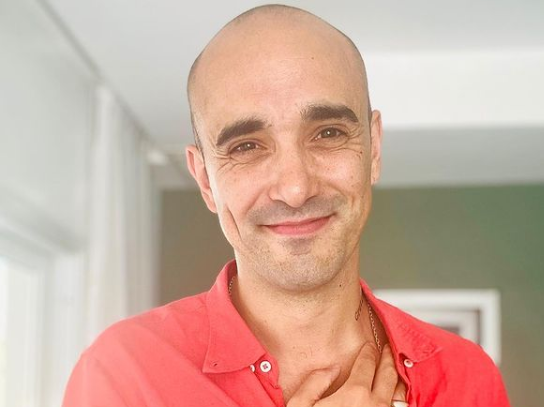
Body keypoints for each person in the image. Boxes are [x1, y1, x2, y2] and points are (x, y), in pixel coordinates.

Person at [62, 4, 511, 407]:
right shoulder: (123, 373)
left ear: (373, 149)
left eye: (329, 133)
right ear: (205, 180)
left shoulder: (467, 377)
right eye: (246, 146)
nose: (296, 189)